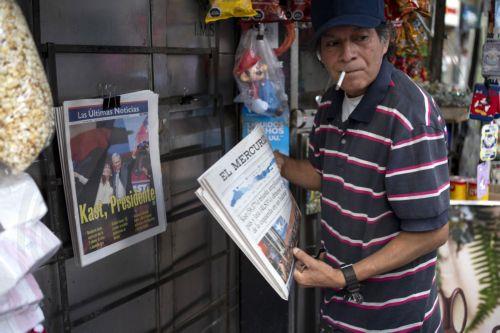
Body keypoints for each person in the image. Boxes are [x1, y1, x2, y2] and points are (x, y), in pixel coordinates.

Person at [274, 0, 450, 331]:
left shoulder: (409, 117)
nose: (348, 53)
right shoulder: (331, 102)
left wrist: (344, 276)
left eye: (361, 38)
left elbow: (432, 232)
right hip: (342, 313)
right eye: (333, 43)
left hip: (394, 319)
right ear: (321, 54)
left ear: (384, 42)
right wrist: (278, 164)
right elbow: (325, 175)